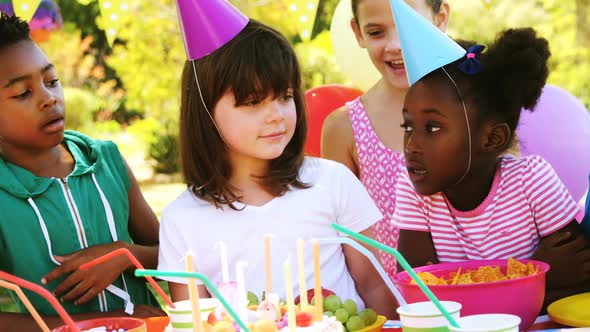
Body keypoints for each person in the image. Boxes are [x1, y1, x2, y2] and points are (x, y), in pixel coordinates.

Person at [157, 1, 396, 318]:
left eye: (284, 96)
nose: (276, 116)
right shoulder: (182, 220)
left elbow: (376, 287)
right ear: (205, 112)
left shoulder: (332, 183)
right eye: (253, 102)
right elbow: (195, 321)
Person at [392, 26, 590, 308]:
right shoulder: (414, 191)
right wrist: (534, 271)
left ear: (493, 139)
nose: (411, 145)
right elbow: (422, 298)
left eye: (432, 127)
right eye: (408, 127)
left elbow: (579, 277)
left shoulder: (532, 180)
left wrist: (466, 295)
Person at [0, 13, 164, 331]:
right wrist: (92, 323)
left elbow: (174, 253)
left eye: (51, 81)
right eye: (23, 93)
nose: (48, 99)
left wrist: (124, 254)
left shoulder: (107, 161)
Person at [320, 0, 450, 278]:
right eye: (377, 32)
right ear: (357, 32)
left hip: (483, 294)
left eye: (406, 26)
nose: (395, 45)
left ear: (440, 18)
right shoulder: (344, 127)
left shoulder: (477, 106)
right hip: (394, 309)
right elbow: (342, 237)